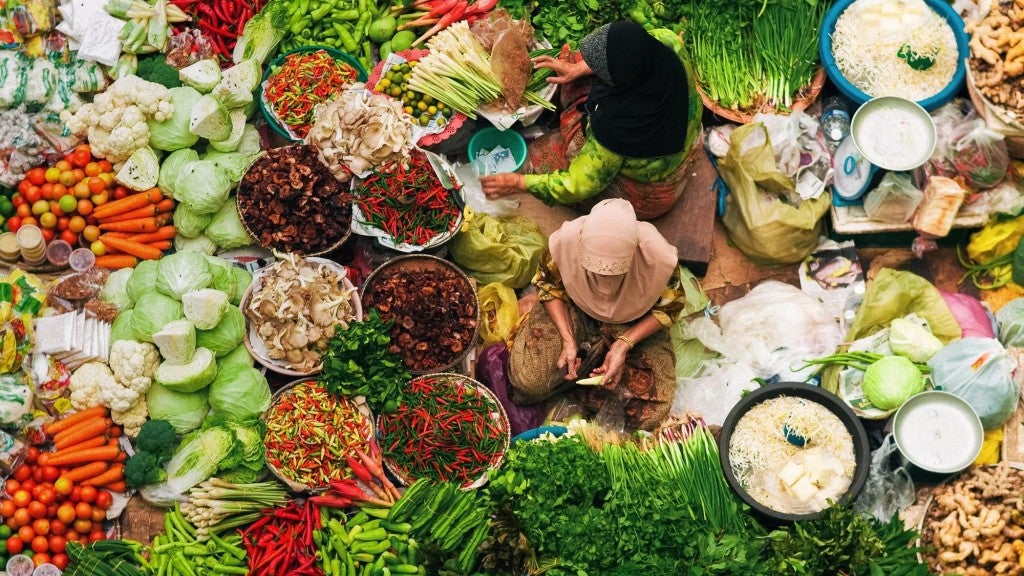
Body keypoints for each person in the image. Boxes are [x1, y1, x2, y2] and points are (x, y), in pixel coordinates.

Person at [479, 21, 702, 220]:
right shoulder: (667, 42)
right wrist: (578, 68)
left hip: (650, 190)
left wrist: (519, 183)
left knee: (542, 158)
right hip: (682, 134)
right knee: (578, 67)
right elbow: (623, 54)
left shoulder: (618, 127)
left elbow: (578, 185)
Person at [507, 198, 691, 430]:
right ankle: (586, 381)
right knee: (529, 381)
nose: (603, 285)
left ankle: (582, 382)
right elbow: (549, 286)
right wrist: (567, 338)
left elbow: (669, 308)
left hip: (633, 322)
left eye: (614, 275)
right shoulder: (565, 243)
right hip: (575, 308)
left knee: (653, 413)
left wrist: (624, 344)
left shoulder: (660, 259)